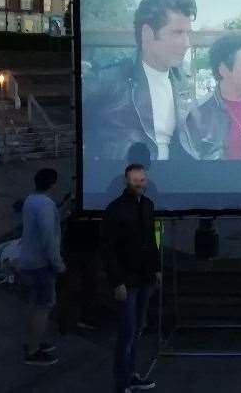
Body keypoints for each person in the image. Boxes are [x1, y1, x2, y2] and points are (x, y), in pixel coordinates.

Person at [84, 0, 200, 163]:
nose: (187, 43)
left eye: (187, 33)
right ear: (147, 34)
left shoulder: (182, 82)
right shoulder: (108, 80)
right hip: (125, 183)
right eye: (177, 33)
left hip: (176, 182)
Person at [101, 163, 162, 392]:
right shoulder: (115, 210)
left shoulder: (148, 205)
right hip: (127, 280)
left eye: (142, 180)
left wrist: (156, 269)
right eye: (136, 180)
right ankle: (122, 381)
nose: (140, 184)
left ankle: (132, 374)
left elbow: (151, 241)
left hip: (145, 277)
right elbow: (107, 249)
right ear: (127, 182)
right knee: (127, 332)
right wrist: (117, 282)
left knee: (137, 329)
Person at [18, 167, 66, 366]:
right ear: (53, 184)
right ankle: (33, 350)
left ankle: (33, 341)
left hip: (28, 259)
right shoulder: (45, 206)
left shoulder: (31, 200)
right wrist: (58, 263)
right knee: (43, 306)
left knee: (34, 304)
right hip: (41, 263)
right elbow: (48, 238)